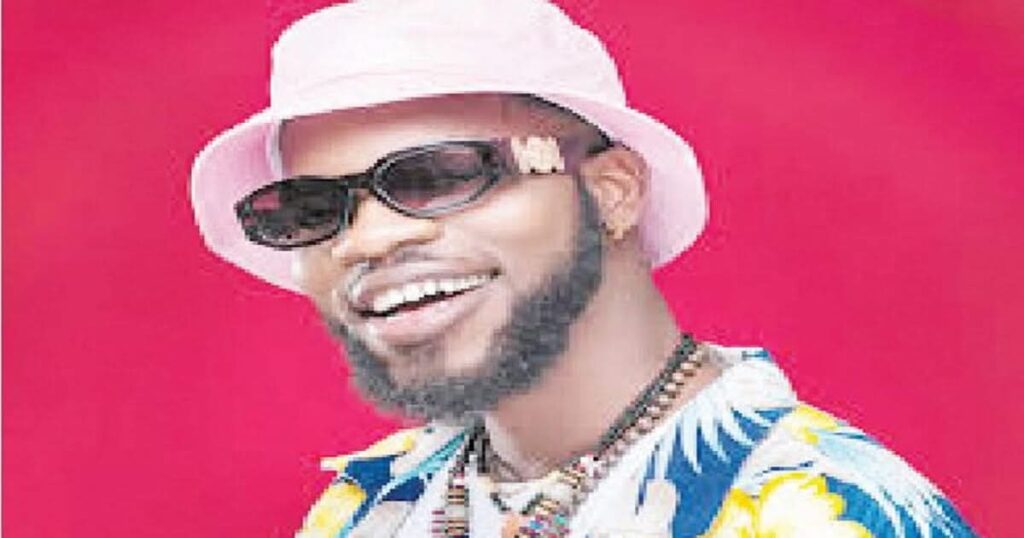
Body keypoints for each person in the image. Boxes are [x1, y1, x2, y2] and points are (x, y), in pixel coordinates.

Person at [190, 0, 977, 536]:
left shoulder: (826, 513)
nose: (363, 242)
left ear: (611, 191)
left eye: (436, 175)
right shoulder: (371, 506)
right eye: (310, 209)